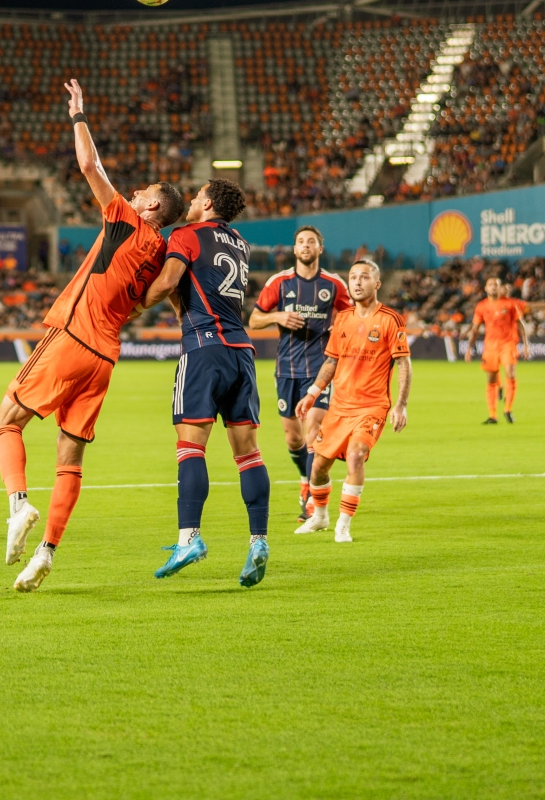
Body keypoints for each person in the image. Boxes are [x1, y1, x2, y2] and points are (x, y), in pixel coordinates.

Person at [0, 78, 184, 592]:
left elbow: (89, 167)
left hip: (72, 337)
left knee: (7, 422)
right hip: (104, 357)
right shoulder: (159, 256)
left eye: (143, 192)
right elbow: (154, 296)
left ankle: (18, 505)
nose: (135, 192)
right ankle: (46, 553)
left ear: (151, 209)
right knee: (70, 456)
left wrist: (78, 115)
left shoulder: (126, 221)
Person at [142, 179, 272, 587]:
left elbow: (168, 283)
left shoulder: (186, 235)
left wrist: (131, 307)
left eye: (198, 195)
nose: (193, 200)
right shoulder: (240, 244)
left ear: (209, 203)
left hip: (203, 350)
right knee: (248, 453)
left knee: (190, 446)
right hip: (242, 353)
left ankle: (189, 539)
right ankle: (259, 540)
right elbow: (194, 290)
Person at [294, 258, 411, 543]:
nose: (357, 282)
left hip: (372, 406)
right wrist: (312, 393)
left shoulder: (390, 319)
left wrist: (401, 404)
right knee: (318, 467)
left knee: (356, 456)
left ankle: (343, 525)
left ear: (377, 283)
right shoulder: (343, 318)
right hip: (339, 406)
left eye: (364, 277)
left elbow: (404, 363)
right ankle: (320, 517)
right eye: (353, 276)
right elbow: (331, 361)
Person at [248, 226, 350, 521]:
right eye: (301, 242)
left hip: (320, 368)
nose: (306, 246)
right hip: (287, 369)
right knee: (294, 438)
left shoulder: (334, 284)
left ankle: (314, 500)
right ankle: (306, 478)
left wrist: (340, 328)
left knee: (313, 430)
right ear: (294, 250)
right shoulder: (279, 282)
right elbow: (254, 319)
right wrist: (277, 316)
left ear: (320, 248)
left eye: (311, 242)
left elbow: (351, 315)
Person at [465, 276, 529, 423]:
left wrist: (526, 344)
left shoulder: (510, 304)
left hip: (508, 343)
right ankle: (493, 415)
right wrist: (469, 348)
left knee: (510, 373)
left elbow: (520, 324)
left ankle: (508, 409)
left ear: (500, 288)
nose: (493, 287)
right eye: (491, 284)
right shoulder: (481, 306)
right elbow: (475, 329)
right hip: (490, 347)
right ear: (486, 288)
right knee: (491, 379)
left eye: (496, 284)